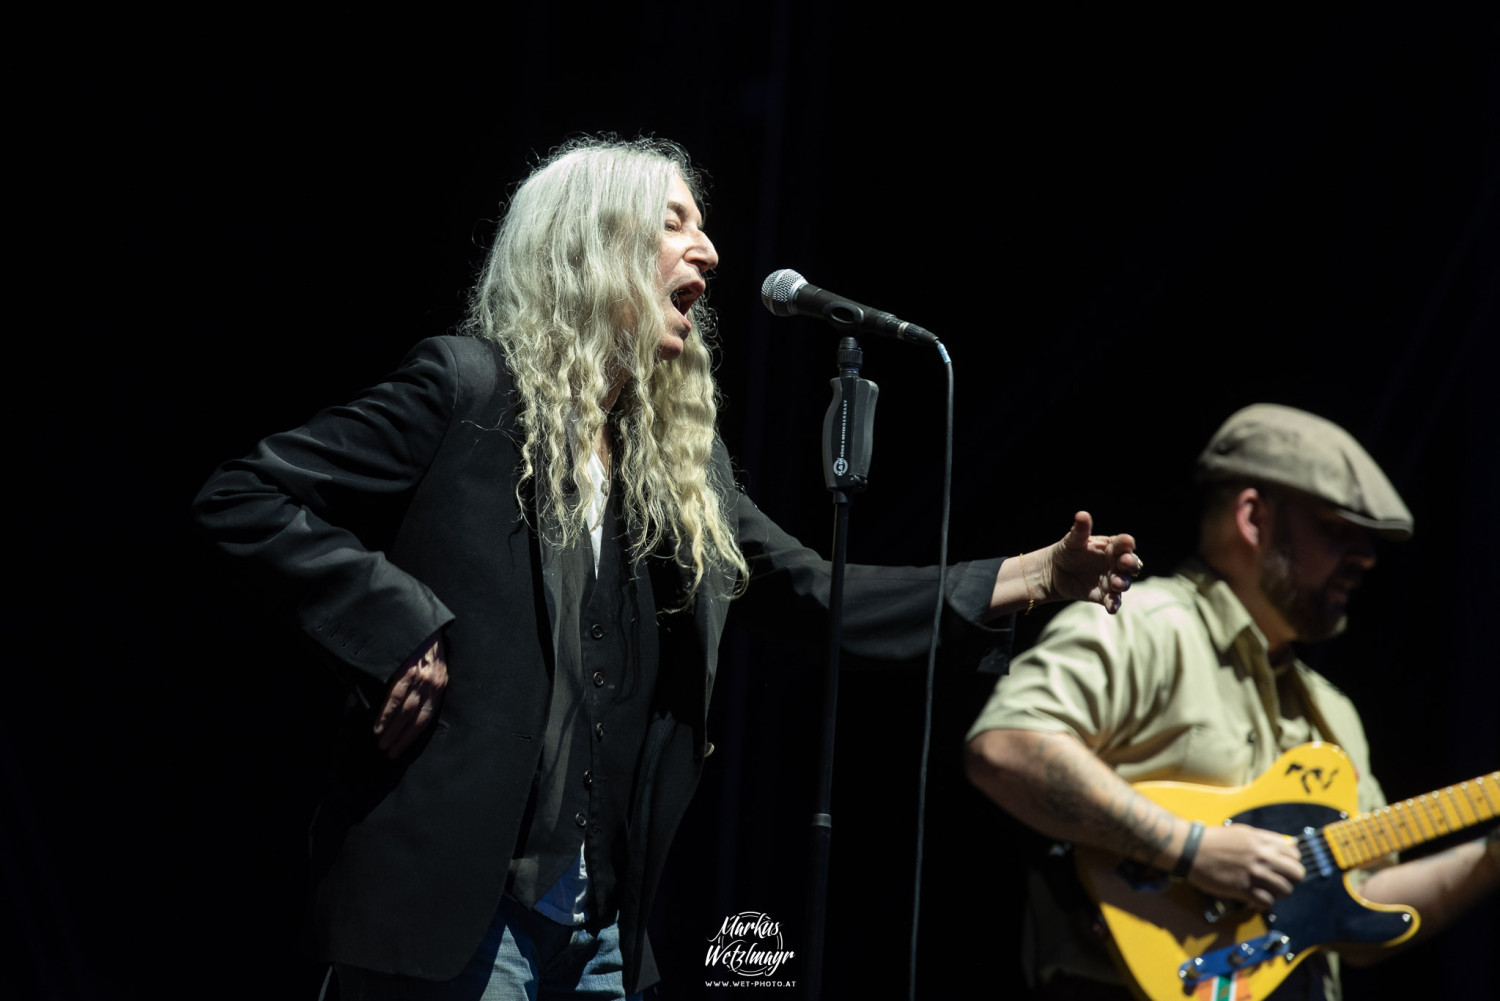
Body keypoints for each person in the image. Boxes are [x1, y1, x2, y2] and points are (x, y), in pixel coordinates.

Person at [193, 136, 1142, 1000]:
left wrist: (1030, 576)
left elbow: (815, 588)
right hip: (455, 914)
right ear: (590, 245)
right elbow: (246, 498)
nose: (711, 252)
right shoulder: (465, 391)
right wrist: (402, 625)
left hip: (601, 926)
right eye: (674, 224)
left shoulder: (679, 468)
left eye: (706, 226)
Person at [965, 403, 1500, 1000]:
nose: (1366, 557)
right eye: (1338, 528)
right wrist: (1191, 849)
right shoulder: (1142, 627)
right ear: (1254, 518)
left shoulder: (1333, 712)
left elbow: (1361, 912)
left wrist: (1490, 857)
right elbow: (1008, 746)